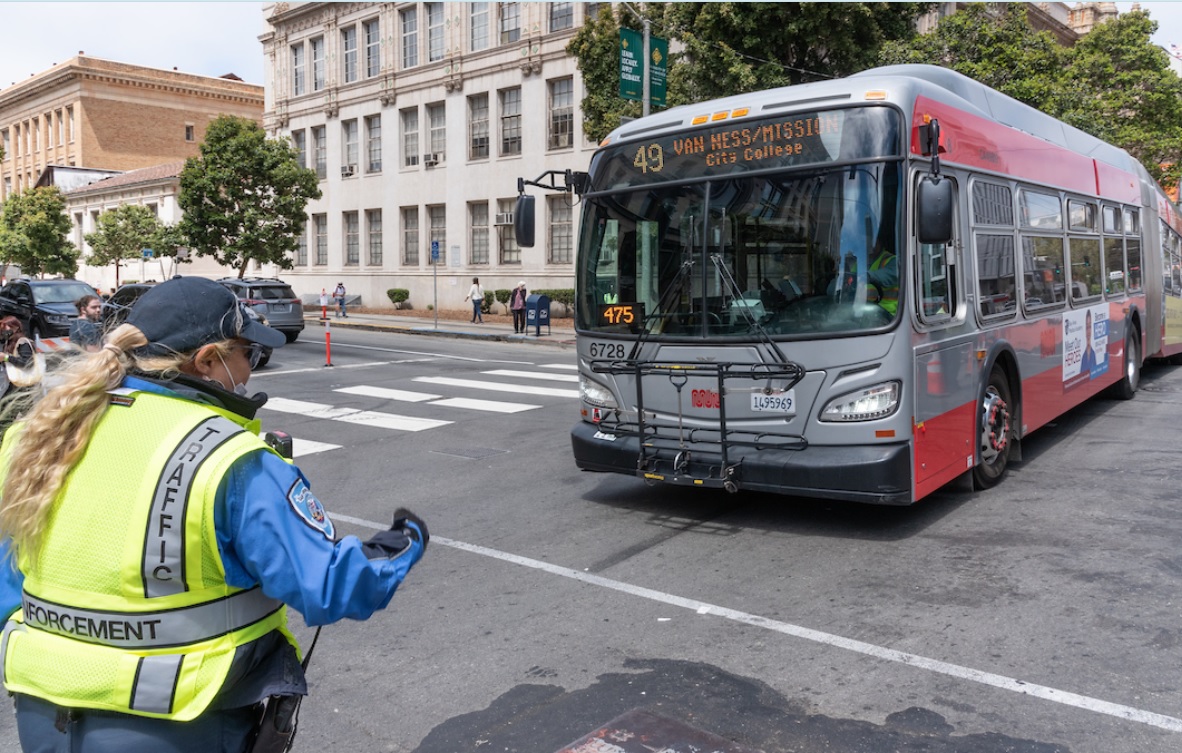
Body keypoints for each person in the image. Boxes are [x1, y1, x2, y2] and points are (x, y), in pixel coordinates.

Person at [0, 277, 428, 752]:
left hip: (44, 714)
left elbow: (9, 580)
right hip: (174, 723)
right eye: (248, 352)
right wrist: (402, 544)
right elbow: (327, 587)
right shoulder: (227, 458)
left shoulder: (37, 437)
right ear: (208, 359)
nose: (250, 368)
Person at [866, 246, 899, 315]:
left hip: (889, 314)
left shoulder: (893, 260)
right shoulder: (862, 261)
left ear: (878, 242)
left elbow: (889, 275)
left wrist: (866, 276)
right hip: (865, 309)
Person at [1080, 309, 1098, 375]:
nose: (1088, 331)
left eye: (1090, 327)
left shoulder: (1093, 354)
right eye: (1086, 327)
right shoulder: (1082, 356)